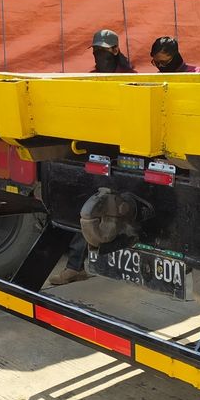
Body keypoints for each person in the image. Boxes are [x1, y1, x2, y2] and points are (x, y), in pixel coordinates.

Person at [50, 29, 138, 286]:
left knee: (117, 208)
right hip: (95, 150)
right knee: (88, 207)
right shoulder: (90, 79)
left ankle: (94, 262)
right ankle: (76, 266)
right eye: (96, 51)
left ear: (115, 50)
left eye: (104, 50)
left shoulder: (132, 79)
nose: (100, 55)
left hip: (124, 152)